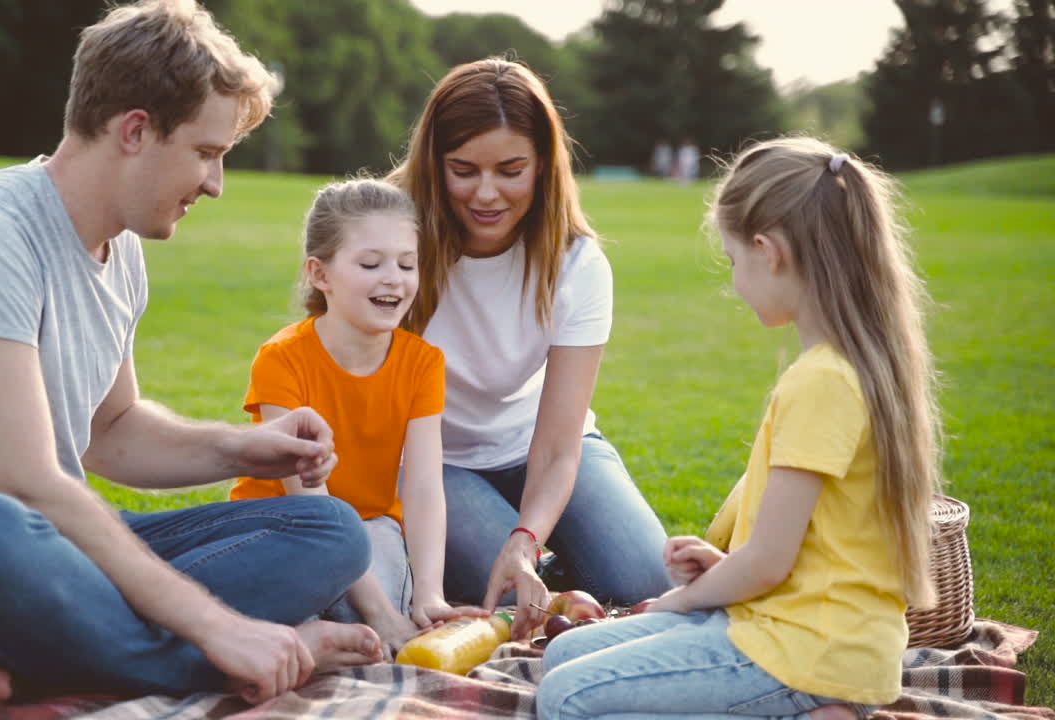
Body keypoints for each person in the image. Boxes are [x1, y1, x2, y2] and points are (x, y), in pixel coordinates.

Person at [0, 0, 381, 707]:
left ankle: (48, 663)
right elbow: (18, 483)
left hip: (44, 550)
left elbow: (111, 432)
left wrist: (246, 447)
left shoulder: (123, 248)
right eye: (206, 153)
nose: (215, 184)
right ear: (135, 130)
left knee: (328, 529)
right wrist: (216, 624)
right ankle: (205, 659)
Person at [537, 136, 943, 720]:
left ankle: (814, 709)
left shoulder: (822, 383)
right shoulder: (844, 368)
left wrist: (682, 600)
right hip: (794, 629)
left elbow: (769, 563)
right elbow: (806, 552)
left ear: (768, 250)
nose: (734, 282)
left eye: (733, 262)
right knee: (565, 655)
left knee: (565, 697)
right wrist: (721, 569)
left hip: (804, 651)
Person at [388, 57, 672, 640]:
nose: (486, 194)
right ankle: (556, 583)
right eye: (462, 170)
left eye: (511, 169)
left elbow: (558, 447)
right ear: (432, 164)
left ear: (543, 164)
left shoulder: (576, 262)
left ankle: (554, 572)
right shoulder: (390, 237)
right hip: (432, 461)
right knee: (514, 584)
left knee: (647, 576)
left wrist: (524, 536)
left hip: (538, 446)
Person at [229, 178, 486, 658]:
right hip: (286, 526)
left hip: (371, 525)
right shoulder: (281, 360)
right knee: (355, 613)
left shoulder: (422, 362)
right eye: (371, 264)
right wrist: (382, 614)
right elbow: (310, 503)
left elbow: (425, 487)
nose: (394, 278)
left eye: (407, 264)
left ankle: (320, 632)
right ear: (320, 274)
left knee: (362, 613)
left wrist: (429, 593)